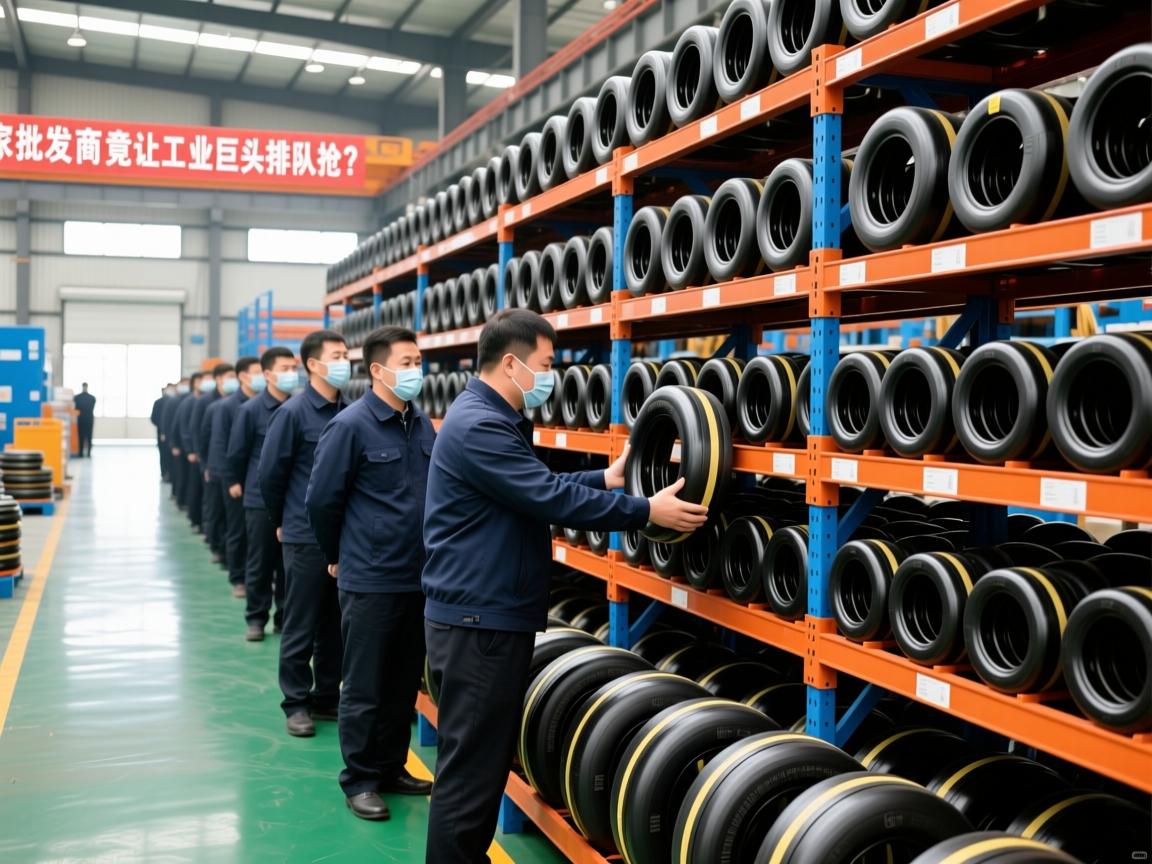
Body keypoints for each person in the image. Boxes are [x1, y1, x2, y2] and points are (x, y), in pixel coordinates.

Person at [421, 309, 708, 863]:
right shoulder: (480, 425)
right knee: (471, 770)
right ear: (511, 363)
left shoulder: (490, 416)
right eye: (547, 363)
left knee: (480, 763)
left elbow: (533, 484)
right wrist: (645, 510)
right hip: (478, 623)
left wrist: (606, 478)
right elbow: (547, 497)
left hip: (482, 617)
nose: (552, 375)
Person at [306, 326, 434, 821]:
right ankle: (359, 779)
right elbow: (321, 500)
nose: (416, 371)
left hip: (416, 577)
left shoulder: (421, 425)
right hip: (370, 577)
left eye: (418, 362)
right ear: (378, 370)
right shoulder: (350, 426)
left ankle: (390, 767)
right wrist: (336, 552)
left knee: (402, 683)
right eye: (406, 363)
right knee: (364, 685)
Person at [259, 330, 348, 739]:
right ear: (313, 364)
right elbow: (270, 475)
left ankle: (327, 695)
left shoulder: (351, 412)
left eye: (345, 355)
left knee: (335, 622)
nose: (345, 362)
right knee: (302, 620)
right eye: (337, 355)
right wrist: (281, 520)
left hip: (343, 537)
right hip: (304, 535)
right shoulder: (292, 414)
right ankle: (296, 703)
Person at [227, 348, 295, 642]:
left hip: (293, 502)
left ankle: (284, 618)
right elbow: (237, 453)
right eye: (285, 368)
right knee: (260, 561)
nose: (292, 374)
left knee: (288, 565)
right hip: (260, 500)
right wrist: (236, 482)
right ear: (268, 374)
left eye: (294, 368)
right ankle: (256, 618)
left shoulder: (298, 408)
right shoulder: (250, 411)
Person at [210, 357, 261, 599]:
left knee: (257, 535)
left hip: (259, 481)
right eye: (257, 372)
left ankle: (255, 577)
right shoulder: (227, 406)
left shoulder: (265, 404)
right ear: (243, 376)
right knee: (238, 530)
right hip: (236, 480)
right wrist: (231, 480)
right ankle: (238, 578)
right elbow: (221, 445)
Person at [196, 363, 236, 566]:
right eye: (230, 376)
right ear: (219, 379)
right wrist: (204, 465)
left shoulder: (240, 404)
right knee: (216, 511)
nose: (233, 380)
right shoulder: (207, 403)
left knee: (232, 517)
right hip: (215, 466)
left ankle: (229, 551)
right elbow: (201, 437)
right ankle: (217, 548)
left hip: (233, 469)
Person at [172, 373, 205, 518]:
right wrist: (190, 449)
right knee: (190, 481)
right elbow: (184, 428)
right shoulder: (189, 402)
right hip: (190, 450)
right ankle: (189, 509)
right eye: (200, 381)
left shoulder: (203, 400)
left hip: (199, 450)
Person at [162, 378, 191, 502]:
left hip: (188, 444)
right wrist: (173, 443)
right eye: (183, 385)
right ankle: (177, 495)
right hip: (176, 442)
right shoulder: (173, 401)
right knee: (178, 471)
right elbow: (168, 422)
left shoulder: (191, 400)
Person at [151, 385, 174, 481]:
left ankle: (168, 474)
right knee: (164, 454)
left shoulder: (174, 402)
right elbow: (153, 418)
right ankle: (165, 473)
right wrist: (162, 429)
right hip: (162, 433)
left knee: (168, 455)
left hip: (170, 433)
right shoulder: (158, 402)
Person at [73, 383, 96, 458]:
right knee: (89, 436)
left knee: (81, 436)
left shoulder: (77, 398)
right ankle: (88, 453)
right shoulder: (92, 398)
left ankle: (81, 453)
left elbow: (76, 408)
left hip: (81, 419)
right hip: (89, 419)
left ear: (82, 387)